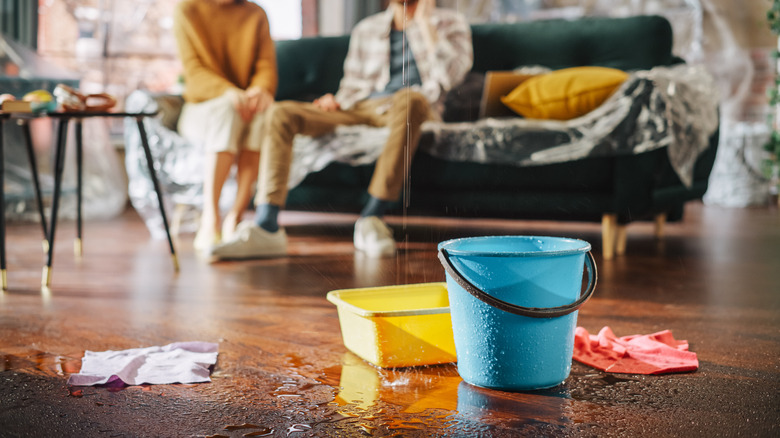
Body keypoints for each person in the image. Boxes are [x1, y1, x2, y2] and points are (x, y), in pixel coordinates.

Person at [211, 0, 473, 260]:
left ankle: (372, 217)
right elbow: (352, 84)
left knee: (410, 99)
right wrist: (336, 100)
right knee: (281, 113)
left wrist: (426, 24)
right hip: (361, 107)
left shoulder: (450, 24)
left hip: (411, 106)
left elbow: (449, 77)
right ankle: (266, 226)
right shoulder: (367, 28)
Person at [172, 0, 277, 253]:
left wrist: (259, 90)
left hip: (245, 107)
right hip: (201, 109)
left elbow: (266, 66)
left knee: (267, 114)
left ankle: (236, 216)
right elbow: (194, 71)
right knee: (227, 110)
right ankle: (211, 217)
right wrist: (228, 92)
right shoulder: (187, 9)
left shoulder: (256, 14)